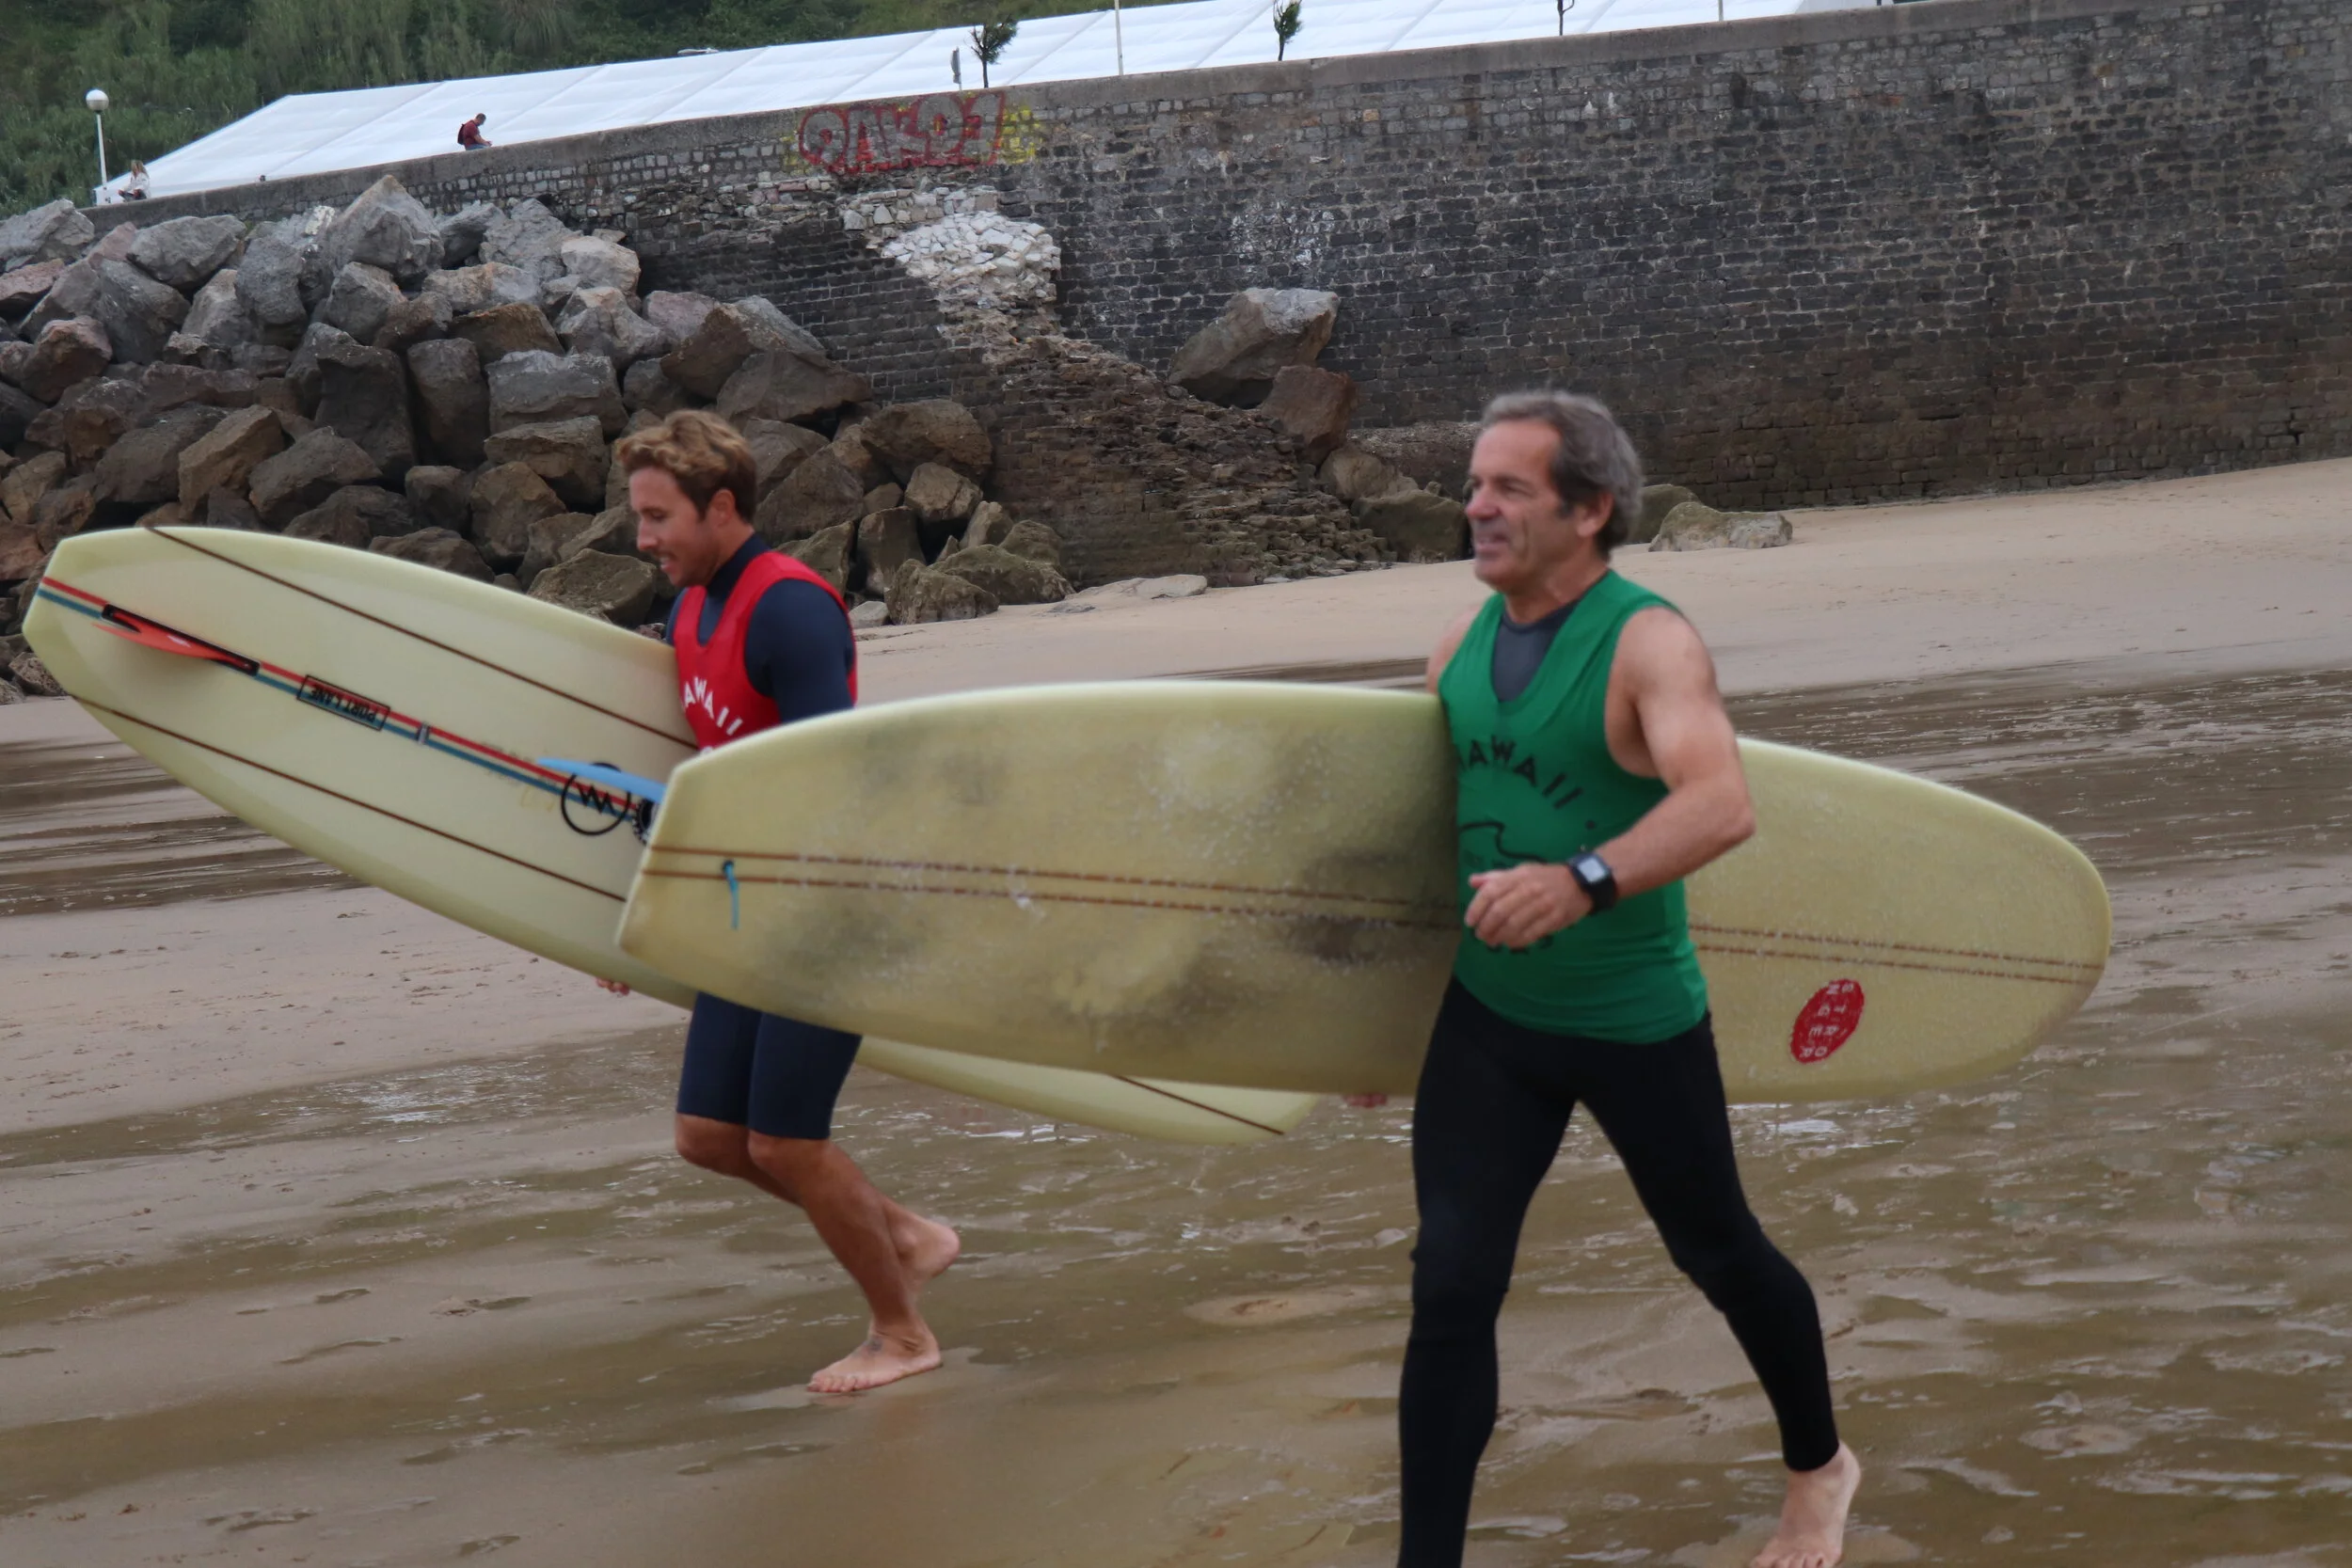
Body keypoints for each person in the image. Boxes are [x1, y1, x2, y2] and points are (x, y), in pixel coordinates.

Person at [1360, 390, 1861, 1568]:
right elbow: (1429, 837)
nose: (1474, 506)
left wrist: (1583, 878)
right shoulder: (1458, 644)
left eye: (1507, 489)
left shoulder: (1648, 640)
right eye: (1473, 484)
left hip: (1632, 1020)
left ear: (1588, 510)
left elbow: (1721, 802)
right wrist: (1361, 1026)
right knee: (1450, 1282)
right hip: (1488, 1019)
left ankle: (1819, 1467)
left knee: (1719, 1250)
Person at [599, 409, 961, 1393]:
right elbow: (708, 773)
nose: (643, 538)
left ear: (723, 506)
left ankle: (902, 1330)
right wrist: (654, 906)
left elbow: (827, 782)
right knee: (710, 1136)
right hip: (747, 901)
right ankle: (905, 1232)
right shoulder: (688, 611)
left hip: (827, 901)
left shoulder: (789, 608)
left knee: (786, 1139)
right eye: (639, 516)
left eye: (659, 516)